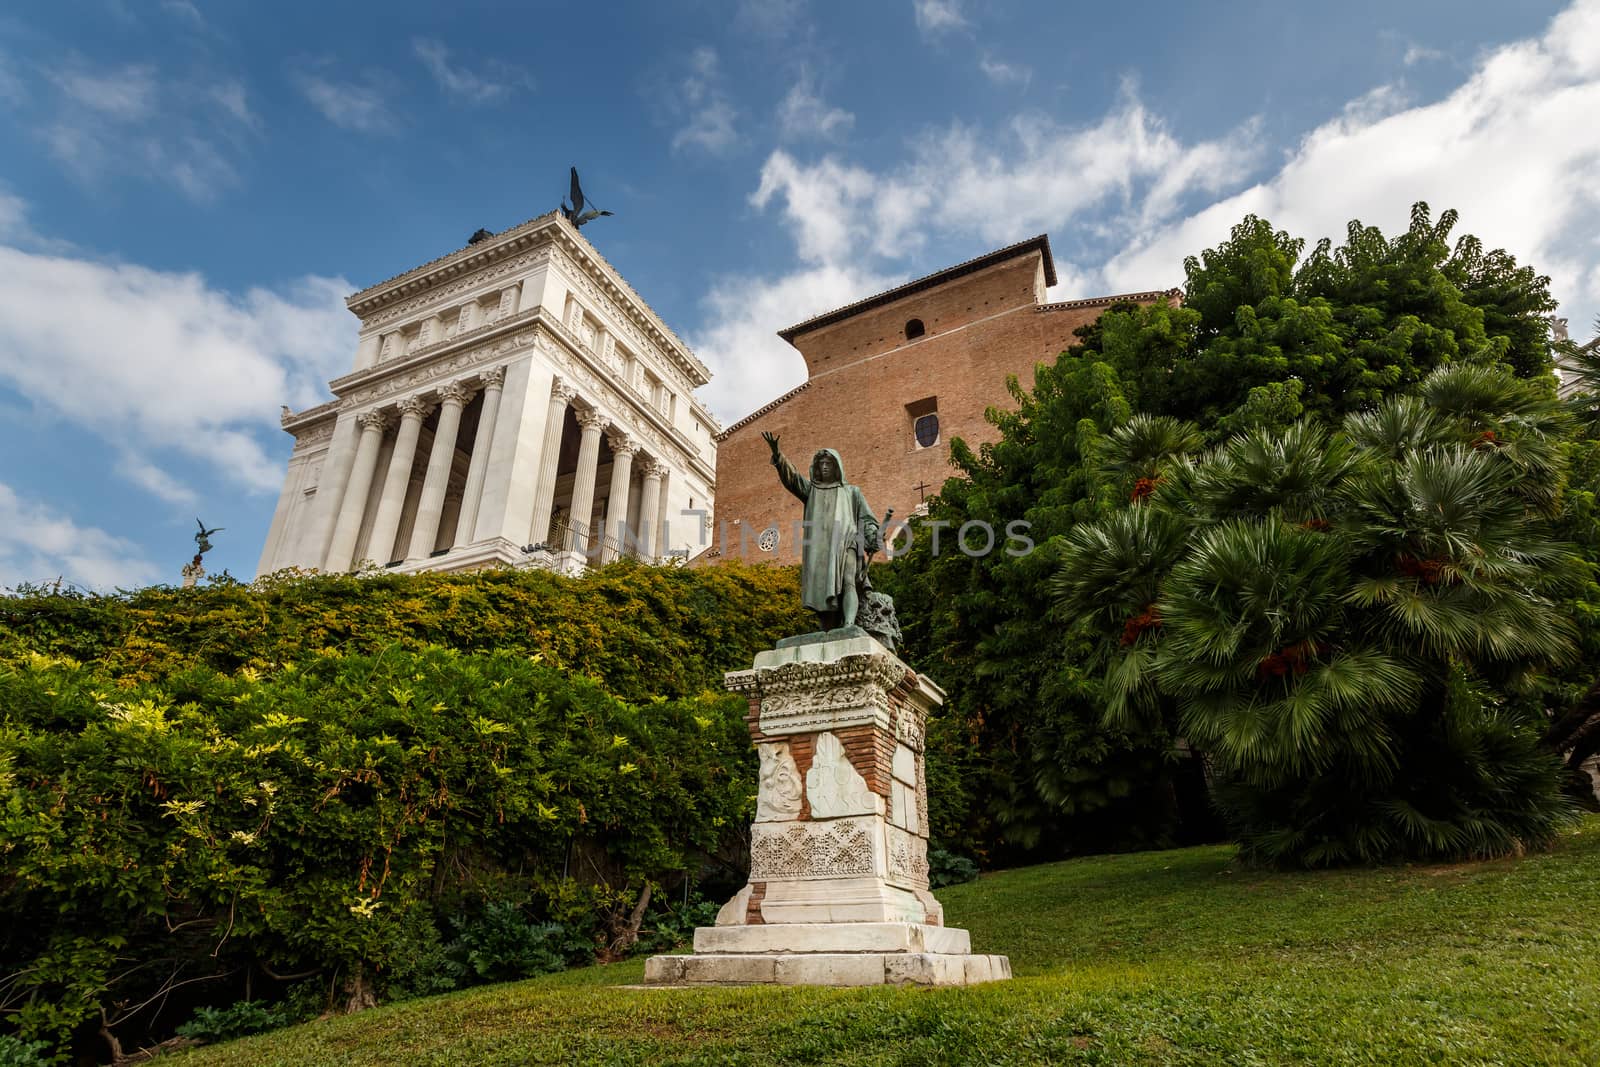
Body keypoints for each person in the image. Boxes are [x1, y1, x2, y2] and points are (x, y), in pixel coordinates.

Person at [762, 432, 880, 630]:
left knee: (848, 579)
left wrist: (872, 535)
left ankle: (850, 625)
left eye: (829, 463)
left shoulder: (852, 492)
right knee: (823, 594)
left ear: (837, 467)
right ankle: (828, 630)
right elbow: (792, 478)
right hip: (821, 549)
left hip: (847, 541)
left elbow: (867, 519)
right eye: (821, 464)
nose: (824, 467)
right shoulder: (811, 491)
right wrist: (778, 455)